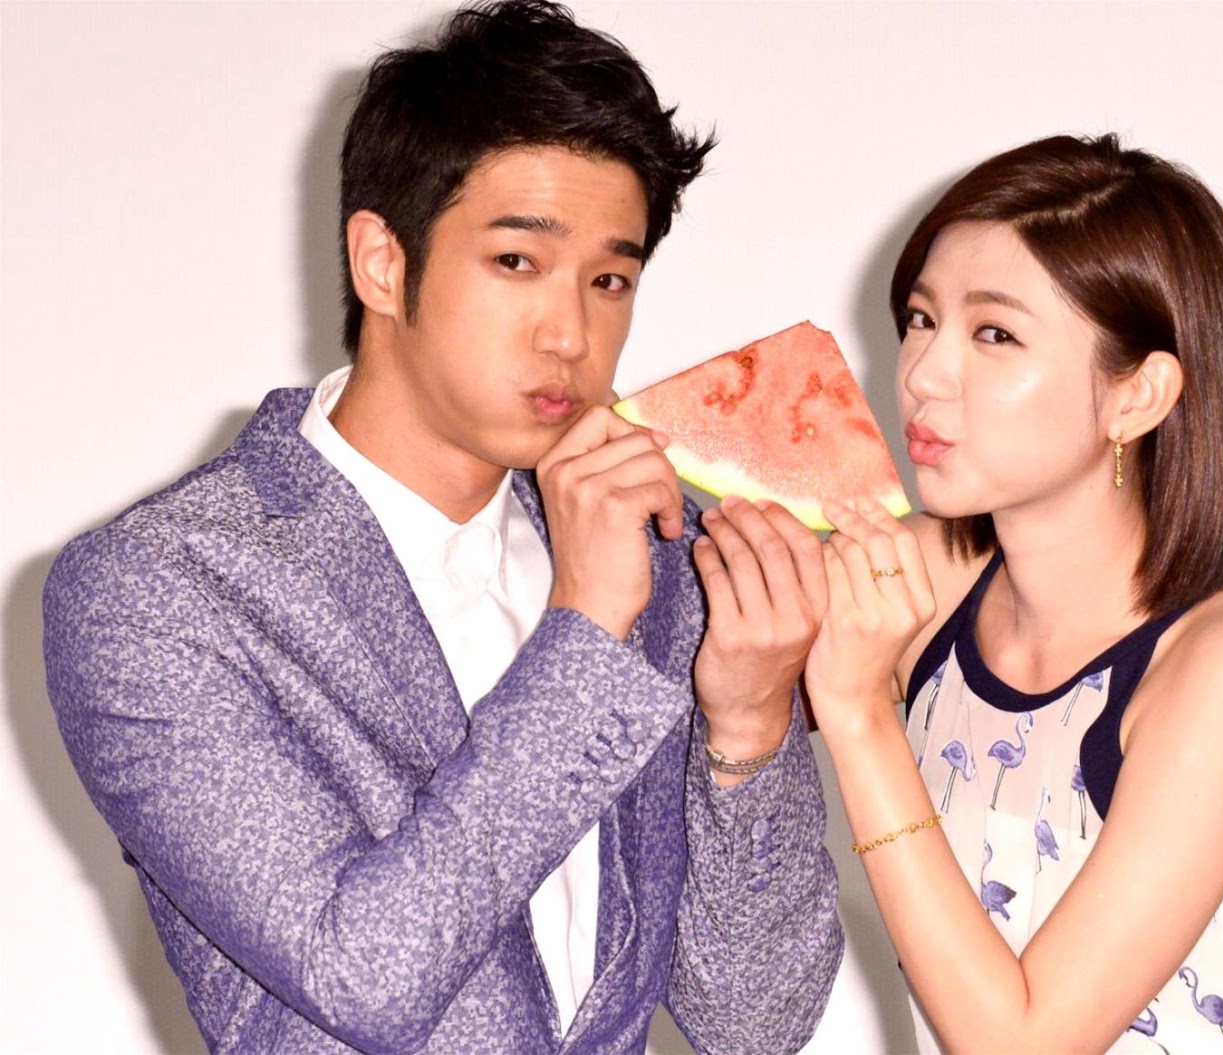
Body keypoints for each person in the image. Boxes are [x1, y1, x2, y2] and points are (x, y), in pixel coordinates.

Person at [41, 3, 842, 1052]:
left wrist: (750, 723)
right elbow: (363, 971)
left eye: (610, 279)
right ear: (382, 262)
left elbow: (753, 1021)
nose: (572, 333)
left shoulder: (660, 550)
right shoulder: (162, 591)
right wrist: (586, 630)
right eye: (516, 261)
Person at [796, 134, 1223, 1052]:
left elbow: (1023, 1044)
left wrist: (859, 713)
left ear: (1136, 396)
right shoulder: (925, 582)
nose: (923, 372)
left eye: (994, 334)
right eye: (921, 318)